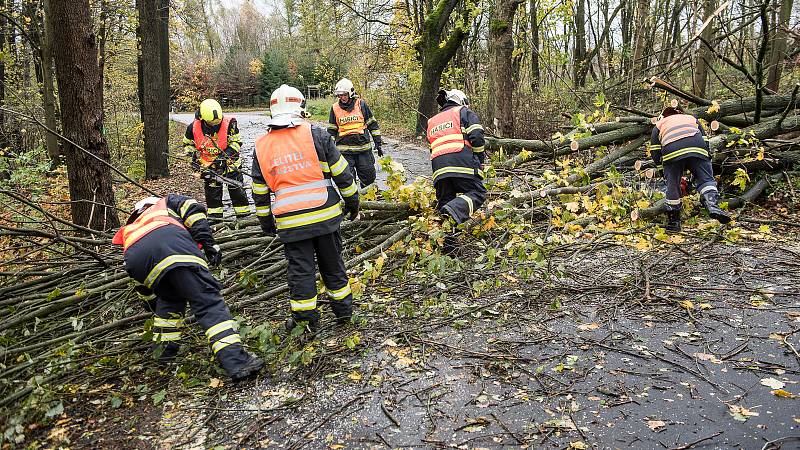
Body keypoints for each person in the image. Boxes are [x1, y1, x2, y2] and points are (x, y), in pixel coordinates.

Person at [112, 195, 263, 381]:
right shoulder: (167, 203)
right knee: (208, 304)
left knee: (168, 304)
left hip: (136, 259)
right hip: (172, 245)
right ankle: (237, 362)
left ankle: (163, 358)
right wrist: (208, 243)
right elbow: (194, 210)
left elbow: (139, 283)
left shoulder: (131, 229)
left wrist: (152, 304)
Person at [252, 84, 360, 334]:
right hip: (326, 218)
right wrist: (353, 204)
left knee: (300, 273)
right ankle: (344, 313)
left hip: (291, 225)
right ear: (300, 107)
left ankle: (306, 323)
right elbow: (343, 175)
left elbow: (259, 192)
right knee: (333, 265)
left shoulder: (262, 146)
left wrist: (266, 223)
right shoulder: (317, 134)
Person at [650, 106, 731, 232]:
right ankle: (712, 206)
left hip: (672, 153)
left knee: (673, 185)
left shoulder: (659, 124)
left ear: (663, 116)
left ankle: (674, 223)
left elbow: (655, 152)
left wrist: (663, 171)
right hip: (698, 148)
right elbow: (705, 139)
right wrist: (705, 157)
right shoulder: (691, 118)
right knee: (706, 180)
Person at [426, 89, 487, 243]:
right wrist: (479, 160)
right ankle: (454, 210)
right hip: (461, 163)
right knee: (477, 192)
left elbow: (432, 146)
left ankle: (449, 248)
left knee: (445, 202)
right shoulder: (463, 112)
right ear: (461, 100)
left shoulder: (432, 120)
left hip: (439, 169)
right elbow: (477, 136)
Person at [182, 99, 251, 220]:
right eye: (212, 123)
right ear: (202, 118)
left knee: (238, 193)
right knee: (212, 196)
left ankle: (245, 219)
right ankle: (216, 221)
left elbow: (236, 142)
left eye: (217, 123)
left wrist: (224, 157)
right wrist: (194, 159)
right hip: (210, 168)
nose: (215, 125)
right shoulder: (193, 127)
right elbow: (187, 144)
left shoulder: (230, 124)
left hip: (231, 166)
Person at [327, 78, 383, 188]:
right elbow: (332, 130)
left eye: (344, 94)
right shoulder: (335, 108)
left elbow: (372, 123)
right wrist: (329, 148)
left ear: (350, 93)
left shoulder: (361, 104)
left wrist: (378, 142)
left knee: (369, 177)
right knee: (348, 180)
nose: (342, 97)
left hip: (363, 150)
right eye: (339, 95)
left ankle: (369, 202)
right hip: (345, 152)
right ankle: (353, 203)